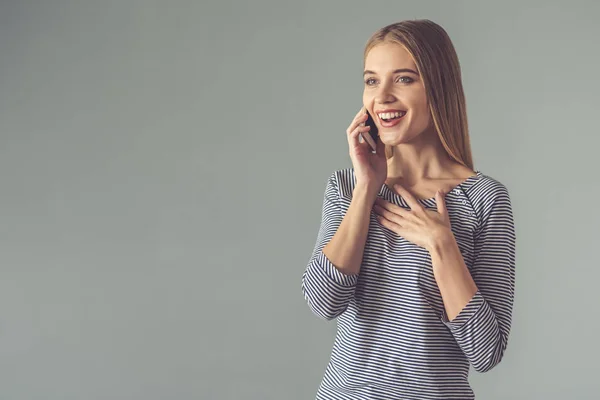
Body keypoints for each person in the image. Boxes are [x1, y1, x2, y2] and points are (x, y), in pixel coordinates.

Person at [301, 19, 516, 400]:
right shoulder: (347, 187)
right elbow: (323, 301)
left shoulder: (484, 199)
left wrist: (441, 244)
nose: (381, 97)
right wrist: (367, 187)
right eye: (371, 81)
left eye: (403, 79)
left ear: (438, 86)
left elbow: (486, 351)